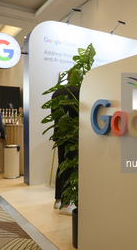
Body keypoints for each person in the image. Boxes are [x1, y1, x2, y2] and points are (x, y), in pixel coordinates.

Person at [52, 71, 79, 215]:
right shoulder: (78, 91)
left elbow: (53, 115)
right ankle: (66, 203)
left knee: (61, 166)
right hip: (72, 136)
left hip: (59, 135)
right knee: (70, 168)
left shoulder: (56, 93)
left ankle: (58, 200)